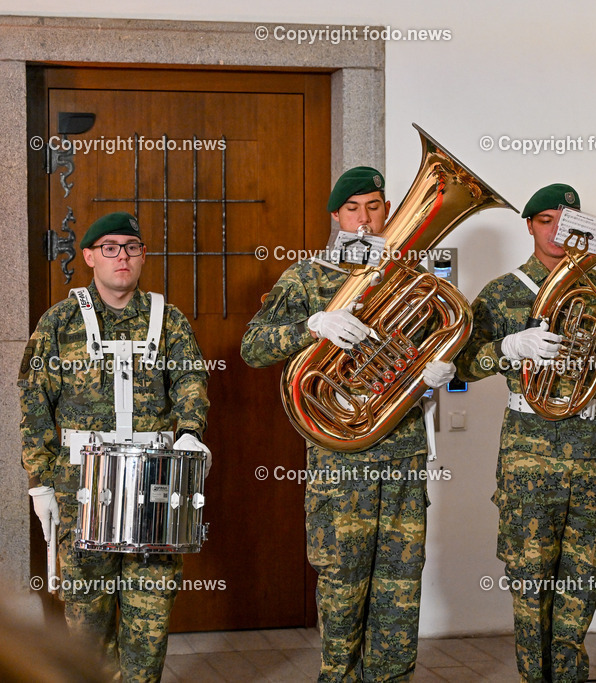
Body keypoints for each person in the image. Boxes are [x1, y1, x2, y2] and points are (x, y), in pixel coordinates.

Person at [241, 166, 455, 681]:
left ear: (390, 212)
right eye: (353, 208)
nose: (365, 218)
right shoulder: (306, 277)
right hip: (341, 461)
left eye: (375, 206)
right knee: (343, 590)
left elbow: (446, 344)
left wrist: (440, 369)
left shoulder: (409, 277)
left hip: (402, 455)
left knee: (401, 590)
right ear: (336, 216)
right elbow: (252, 348)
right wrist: (312, 324)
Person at [454, 183, 596, 682]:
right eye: (545, 222)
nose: (557, 233)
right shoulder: (502, 291)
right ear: (530, 226)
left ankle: (570, 676)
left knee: (583, 577)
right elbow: (464, 365)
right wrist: (509, 347)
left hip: (589, 449)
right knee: (530, 579)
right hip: (528, 454)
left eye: (568, 223)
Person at [19, 211, 211, 682]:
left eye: (131, 247)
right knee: (87, 633)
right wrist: (40, 482)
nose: (121, 257)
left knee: (148, 627)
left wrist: (190, 431)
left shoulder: (169, 320)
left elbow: (191, 379)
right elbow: (34, 402)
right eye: (109, 248)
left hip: (155, 490)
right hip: (81, 492)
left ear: (143, 255)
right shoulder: (59, 322)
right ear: (89, 257)